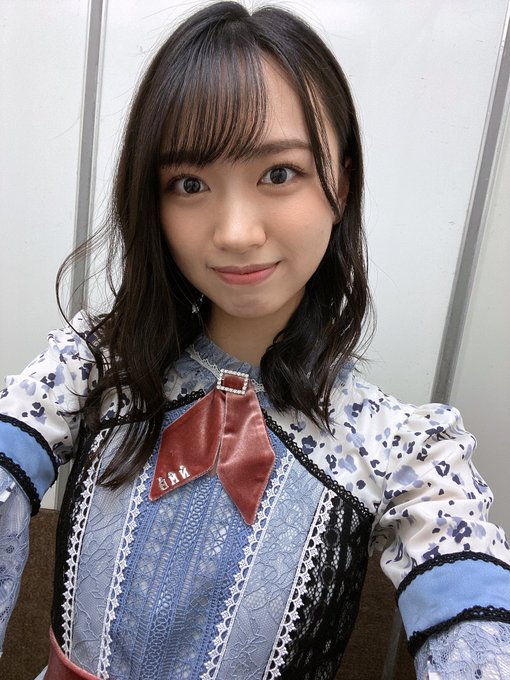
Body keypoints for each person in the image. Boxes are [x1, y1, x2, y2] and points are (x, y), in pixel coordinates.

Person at [1, 2, 509, 678]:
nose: (236, 232)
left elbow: (472, 616)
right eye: (189, 184)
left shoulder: (405, 452)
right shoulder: (90, 366)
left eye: (279, 173)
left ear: (341, 184)